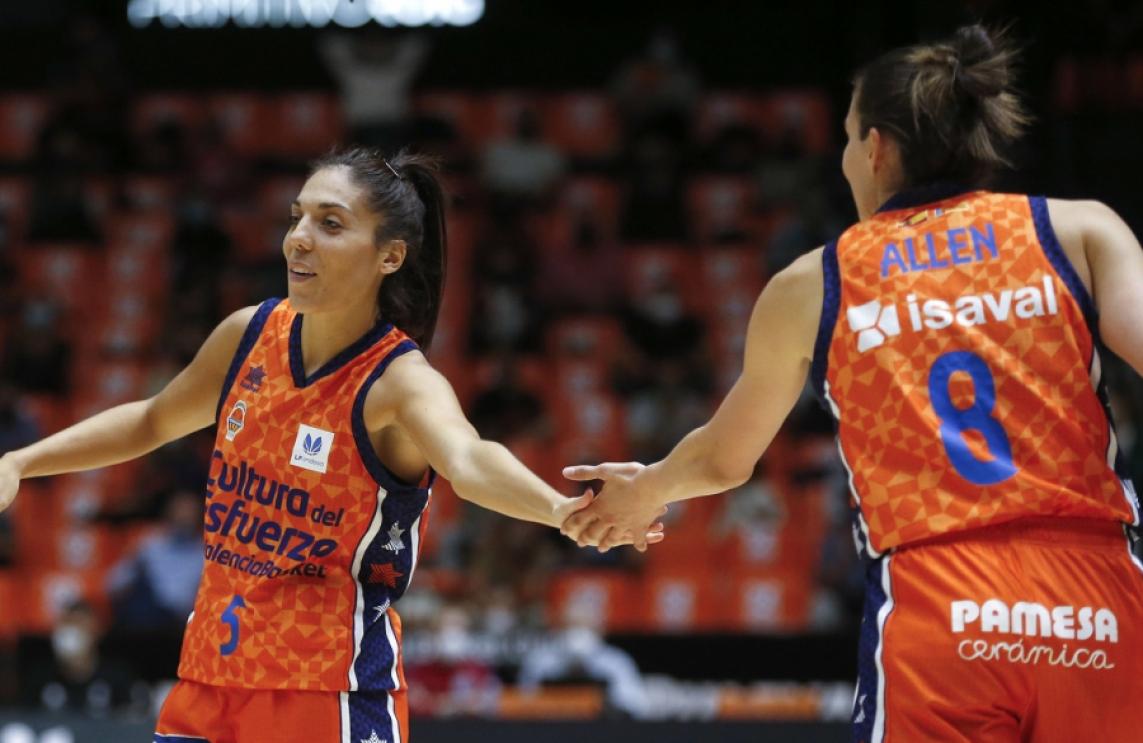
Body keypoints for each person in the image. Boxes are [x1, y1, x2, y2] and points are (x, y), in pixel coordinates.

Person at [563, 25, 1143, 742]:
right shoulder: (1077, 230)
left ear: (874, 148)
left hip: (942, 594)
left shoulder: (813, 281)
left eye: (844, 138)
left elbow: (724, 458)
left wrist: (645, 490)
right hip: (1092, 596)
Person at [0, 148, 662, 743]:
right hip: (207, 679)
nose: (299, 238)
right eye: (297, 217)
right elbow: (151, 420)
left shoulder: (399, 382)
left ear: (390, 256)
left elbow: (468, 459)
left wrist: (559, 509)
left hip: (326, 693)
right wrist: (19, 462)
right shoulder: (248, 334)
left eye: (330, 223)